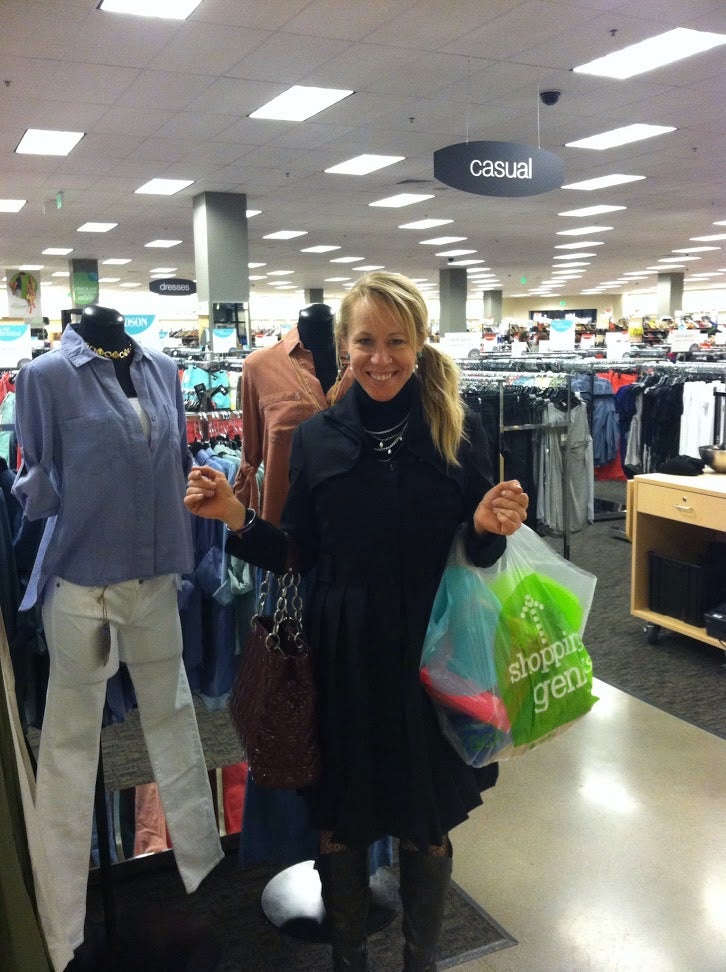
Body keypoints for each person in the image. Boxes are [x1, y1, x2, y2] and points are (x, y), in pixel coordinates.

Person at [185, 272, 528, 971]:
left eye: (396, 341)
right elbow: (297, 552)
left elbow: (478, 550)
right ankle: (350, 960)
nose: (380, 358)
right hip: (343, 651)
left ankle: (419, 961)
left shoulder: (458, 429)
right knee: (343, 816)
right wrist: (234, 517)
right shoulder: (317, 438)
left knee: (426, 820)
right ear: (344, 345)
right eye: (366, 341)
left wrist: (489, 527)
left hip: (434, 650)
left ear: (420, 341)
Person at [11, 304, 223, 960]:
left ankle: (203, 877)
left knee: (175, 718)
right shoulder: (45, 376)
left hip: (156, 580)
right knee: (70, 751)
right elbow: (38, 487)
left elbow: (174, 465)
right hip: (84, 585)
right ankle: (61, 930)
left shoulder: (164, 369)